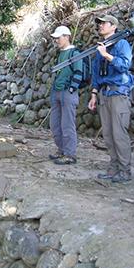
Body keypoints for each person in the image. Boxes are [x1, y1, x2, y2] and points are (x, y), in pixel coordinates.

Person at [87, 14, 134, 183]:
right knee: (107, 134)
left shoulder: (121, 44)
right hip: (104, 94)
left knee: (119, 133)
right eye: (98, 23)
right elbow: (96, 74)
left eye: (103, 23)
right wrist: (93, 94)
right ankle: (113, 168)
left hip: (118, 93)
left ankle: (124, 170)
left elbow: (125, 65)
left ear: (113, 26)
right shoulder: (102, 47)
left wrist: (107, 55)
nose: (100, 26)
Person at [49, 25, 83, 165]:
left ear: (67, 37)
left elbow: (78, 73)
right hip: (57, 92)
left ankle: (70, 154)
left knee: (67, 124)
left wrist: (71, 89)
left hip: (67, 92)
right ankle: (61, 150)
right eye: (56, 38)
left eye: (59, 37)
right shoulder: (61, 54)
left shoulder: (75, 53)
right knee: (55, 124)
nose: (56, 40)